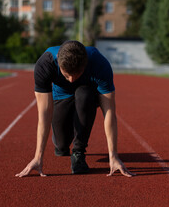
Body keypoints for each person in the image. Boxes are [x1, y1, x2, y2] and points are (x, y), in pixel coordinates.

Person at [15, 40, 135, 178]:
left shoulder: (99, 64)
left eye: (76, 74)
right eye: (66, 75)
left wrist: (113, 156)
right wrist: (38, 157)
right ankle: (63, 144)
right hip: (61, 97)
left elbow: (109, 113)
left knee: (85, 93)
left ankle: (79, 152)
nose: (71, 80)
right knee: (61, 146)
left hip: (86, 97)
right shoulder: (45, 64)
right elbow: (44, 113)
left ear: (85, 65)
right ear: (59, 65)